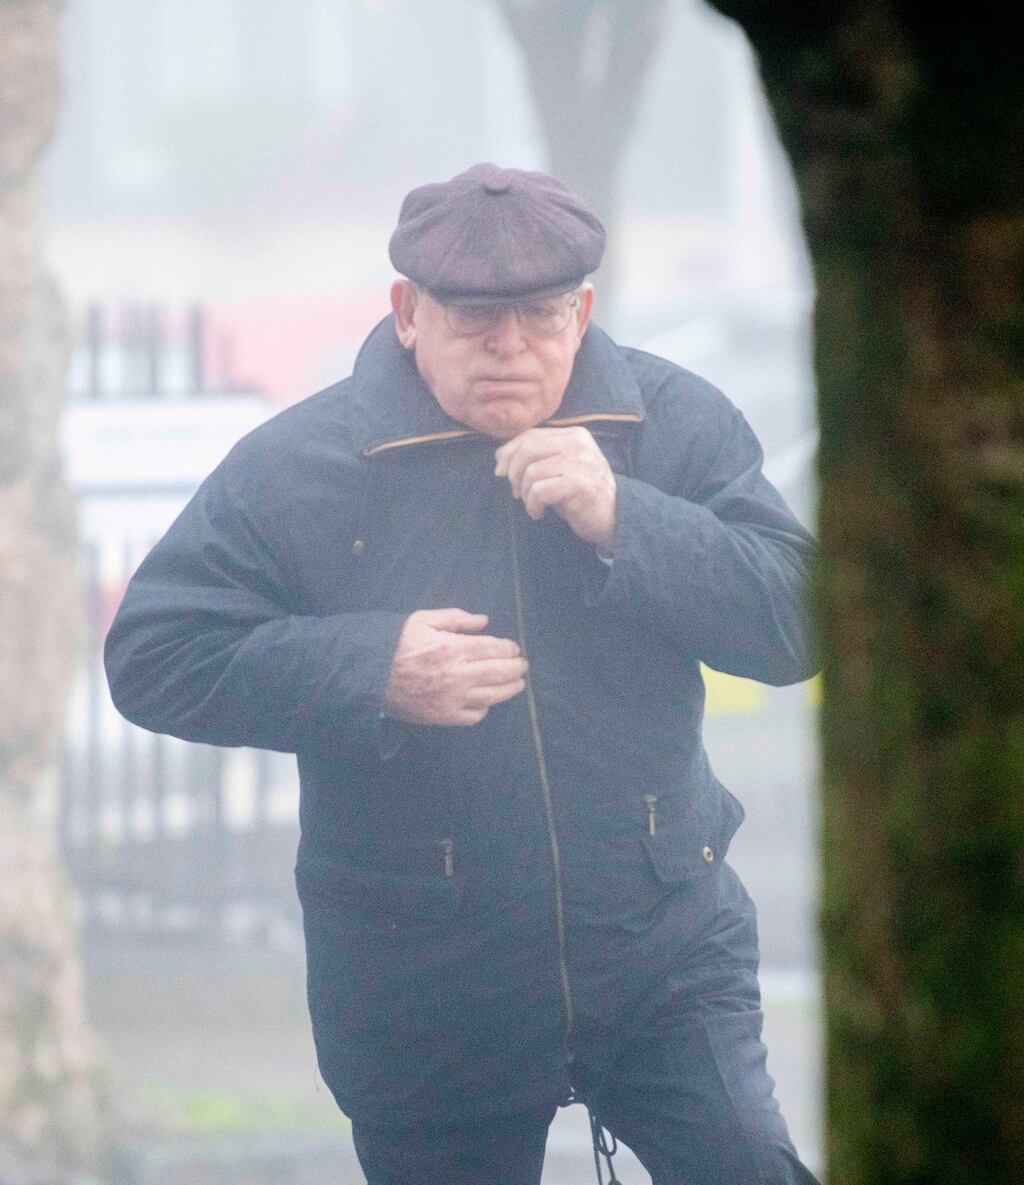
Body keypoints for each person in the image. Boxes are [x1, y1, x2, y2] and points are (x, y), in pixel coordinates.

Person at [105, 163, 820, 1185]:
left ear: (582, 312)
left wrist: (627, 518)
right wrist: (369, 668)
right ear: (407, 313)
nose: (510, 347)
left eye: (541, 315)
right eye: (475, 318)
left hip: (664, 943)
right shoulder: (299, 466)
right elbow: (153, 652)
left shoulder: (668, 424)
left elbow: (798, 621)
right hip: (423, 970)